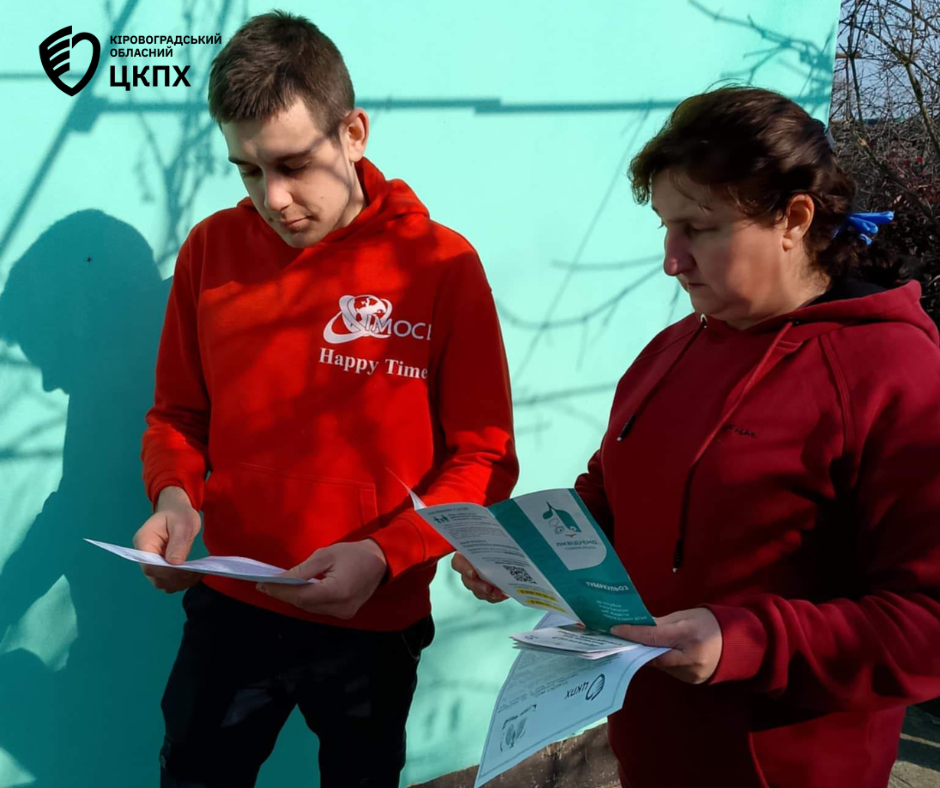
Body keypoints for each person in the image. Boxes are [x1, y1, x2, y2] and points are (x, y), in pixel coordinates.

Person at [453, 86, 940, 788]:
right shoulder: (671, 348)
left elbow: (924, 623)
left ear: (794, 218)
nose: (671, 260)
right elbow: (612, 495)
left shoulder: (896, 371)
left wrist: (746, 641)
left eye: (700, 228)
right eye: (665, 227)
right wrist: (529, 553)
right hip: (649, 750)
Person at [136, 12, 518, 788]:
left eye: (292, 164)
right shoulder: (211, 249)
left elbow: (482, 454)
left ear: (353, 133)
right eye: (247, 171)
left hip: (374, 618)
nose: (273, 198)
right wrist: (174, 498)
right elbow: (178, 414)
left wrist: (386, 554)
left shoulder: (440, 267)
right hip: (233, 602)